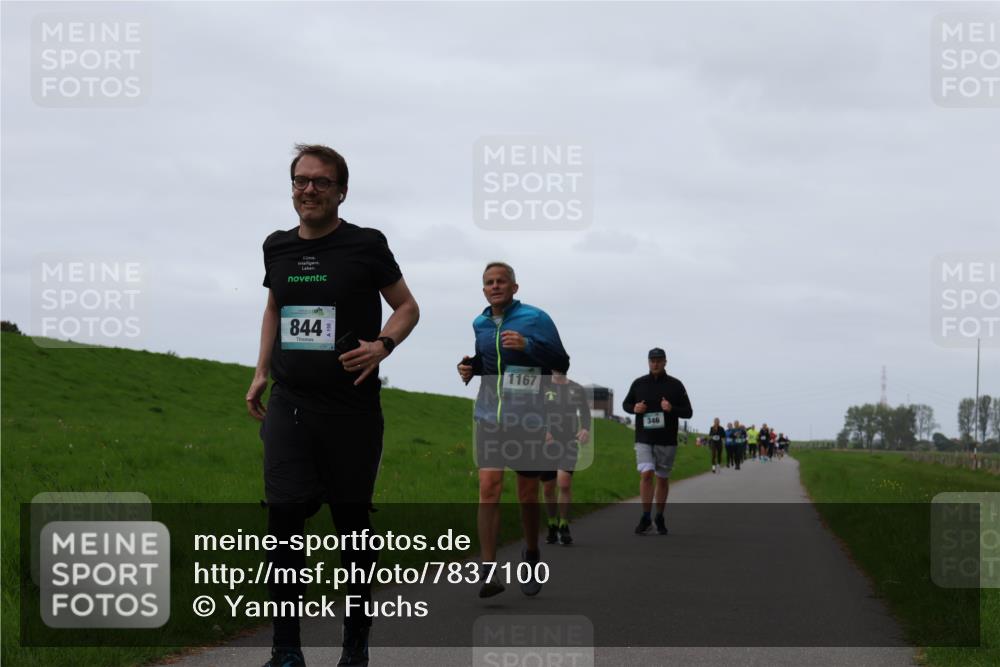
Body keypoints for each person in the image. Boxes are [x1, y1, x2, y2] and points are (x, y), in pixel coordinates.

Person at [245, 144, 420, 667]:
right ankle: (286, 650)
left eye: (321, 182)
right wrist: (260, 371)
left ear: (341, 192)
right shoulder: (276, 247)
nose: (309, 189)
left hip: (351, 409)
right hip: (290, 403)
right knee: (283, 519)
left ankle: (355, 644)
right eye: (301, 180)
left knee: (351, 526)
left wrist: (383, 344)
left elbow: (407, 307)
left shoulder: (366, 244)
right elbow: (274, 306)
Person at [457, 262, 570, 597]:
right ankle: (489, 570)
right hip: (489, 417)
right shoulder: (480, 323)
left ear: (514, 287)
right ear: (483, 290)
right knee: (489, 488)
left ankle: (531, 554)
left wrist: (528, 346)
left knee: (527, 495)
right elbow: (488, 362)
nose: (495, 286)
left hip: (528, 420)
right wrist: (470, 367)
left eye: (501, 281)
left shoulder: (536, 318)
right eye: (489, 282)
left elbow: (561, 361)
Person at [622, 348, 693, 535]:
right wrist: (634, 408)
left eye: (659, 361)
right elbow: (626, 404)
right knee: (646, 474)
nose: (655, 364)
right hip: (644, 438)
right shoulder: (639, 383)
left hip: (667, 439)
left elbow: (688, 412)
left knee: (662, 478)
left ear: (665, 362)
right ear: (648, 362)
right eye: (652, 361)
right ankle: (646, 517)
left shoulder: (675, 385)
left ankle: (659, 516)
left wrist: (671, 408)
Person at [541, 370, 591, 545]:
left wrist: (585, 429)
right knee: (548, 488)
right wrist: (542, 430)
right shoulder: (542, 386)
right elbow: (533, 411)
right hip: (546, 444)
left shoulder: (576, 388)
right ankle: (552, 523)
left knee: (564, 483)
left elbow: (585, 412)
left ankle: (564, 524)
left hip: (569, 442)